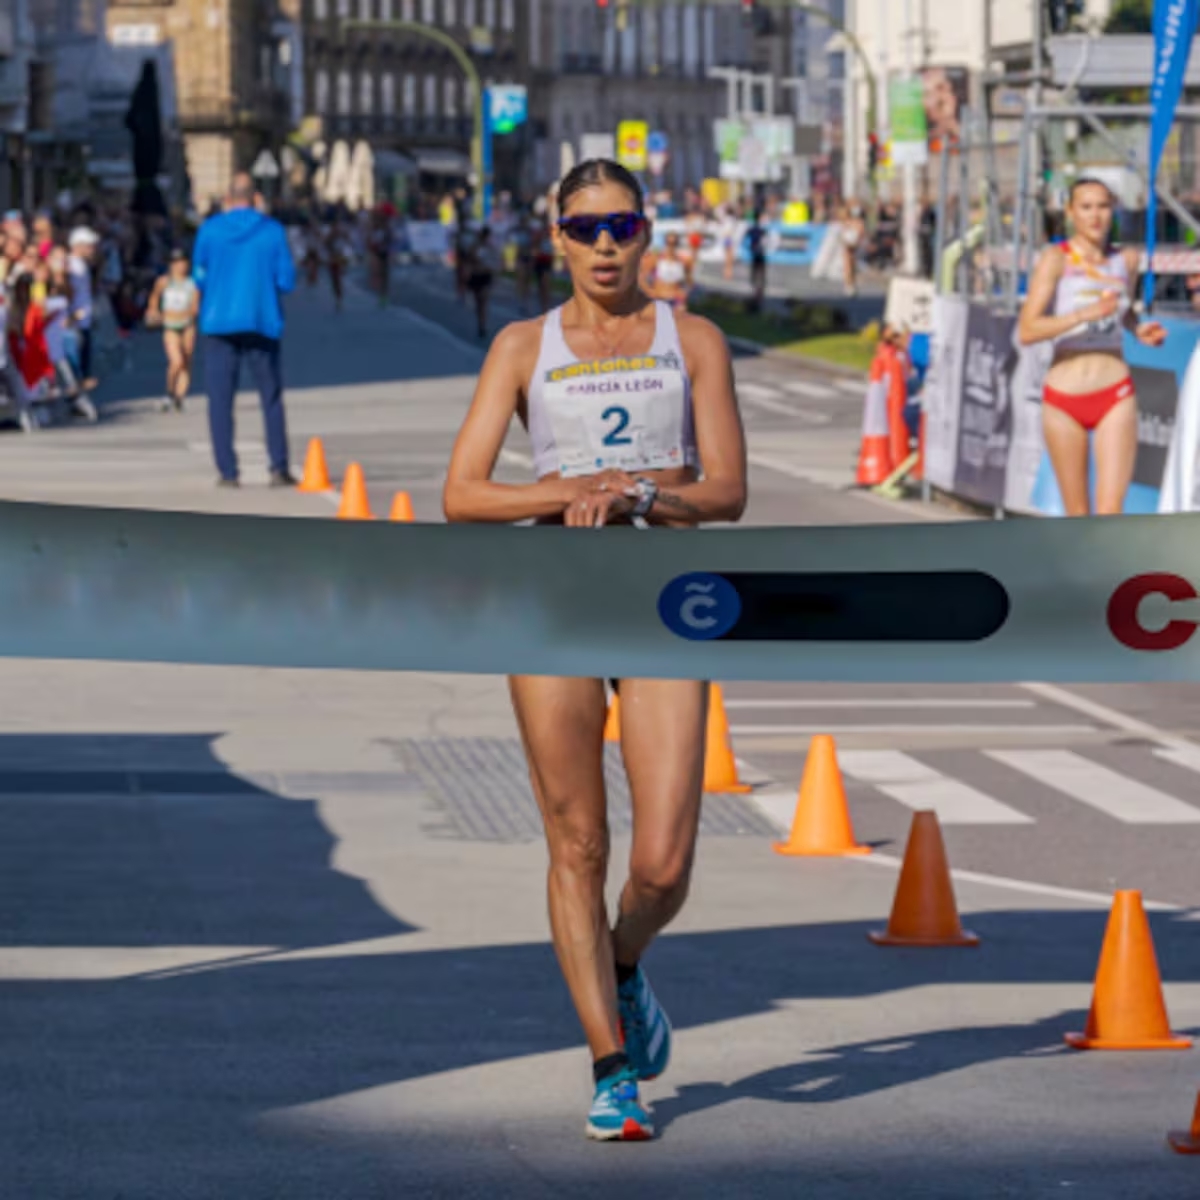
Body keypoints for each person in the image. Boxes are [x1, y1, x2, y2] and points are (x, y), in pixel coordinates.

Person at [442, 158, 748, 1142]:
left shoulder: (692, 338)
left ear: (647, 232)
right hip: (557, 596)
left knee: (661, 864)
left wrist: (643, 494)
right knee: (577, 843)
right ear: (558, 236)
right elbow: (465, 495)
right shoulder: (521, 345)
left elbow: (728, 490)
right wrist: (566, 495)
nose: (606, 244)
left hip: (660, 596)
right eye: (586, 228)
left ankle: (622, 965)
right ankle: (611, 1065)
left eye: (623, 225)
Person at [1018, 177, 1167, 516]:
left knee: (1112, 512)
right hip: (1064, 397)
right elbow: (1027, 330)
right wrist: (1082, 314)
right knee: (1078, 515)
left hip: (1114, 392)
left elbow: (1123, 309)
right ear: (1071, 212)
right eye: (1086, 207)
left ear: (1112, 210)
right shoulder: (1057, 259)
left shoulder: (1126, 260)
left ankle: (1110, 572)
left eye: (1102, 206)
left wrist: (1138, 328)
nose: (1095, 216)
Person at [192, 172, 297, 488]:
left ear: (228, 199)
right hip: (261, 320)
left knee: (220, 400)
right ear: (256, 198)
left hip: (219, 321)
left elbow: (199, 275)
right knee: (271, 397)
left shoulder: (209, 230)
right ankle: (278, 467)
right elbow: (286, 280)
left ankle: (228, 471)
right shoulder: (272, 231)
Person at [145, 248, 199, 412]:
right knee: (176, 361)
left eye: (183, 262)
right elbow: (154, 298)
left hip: (187, 324)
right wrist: (154, 311)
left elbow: (195, 305)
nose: (180, 266)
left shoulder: (192, 283)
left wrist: (188, 314)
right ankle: (169, 391)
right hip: (170, 325)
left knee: (186, 359)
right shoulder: (164, 281)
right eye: (176, 263)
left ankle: (179, 396)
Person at [640, 230, 692, 312]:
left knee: (678, 321)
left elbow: (689, 280)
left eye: (674, 243)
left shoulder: (681, 261)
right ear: (665, 243)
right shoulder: (657, 258)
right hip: (659, 296)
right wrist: (649, 291)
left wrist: (684, 292)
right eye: (669, 243)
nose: (671, 246)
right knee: (658, 322)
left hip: (675, 298)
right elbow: (641, 277)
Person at [465, 225, 498, 339]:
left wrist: (493, 272)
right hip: (476, 275)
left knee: (484, 299)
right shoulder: (475, 247)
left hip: (486, 275)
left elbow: (494, 261)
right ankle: (480, 322)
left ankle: (483, 324)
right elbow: (470, 259)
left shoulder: (490, 247)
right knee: (478, 301)